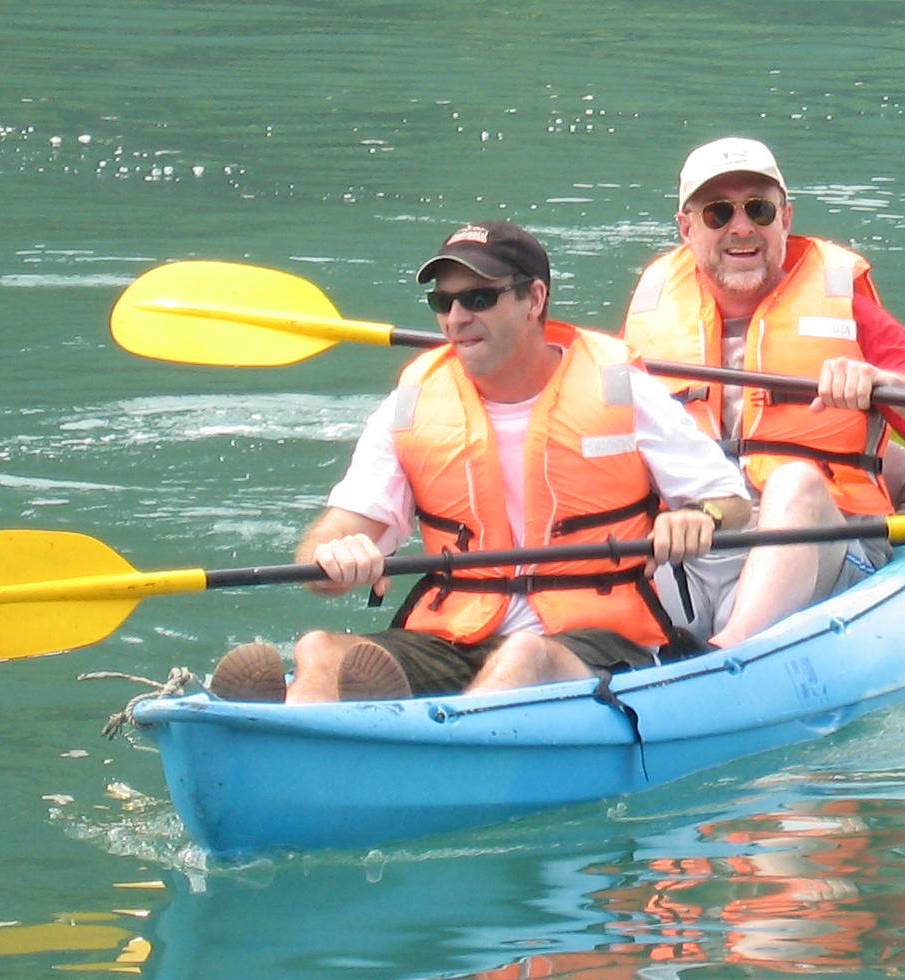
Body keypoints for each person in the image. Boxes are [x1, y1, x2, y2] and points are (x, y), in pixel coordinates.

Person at [213, 220, 755, 704]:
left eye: (478, 298)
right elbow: (333, 542)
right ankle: (291, 742)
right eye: (442, 302)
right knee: (321, 650)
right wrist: (335, 554)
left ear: (534, 299)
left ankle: (438, 747)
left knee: (524, 655)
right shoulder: (411, 404)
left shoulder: (622, 389)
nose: (456, 318)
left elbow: (731, 503)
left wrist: (698, 517)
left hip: (596, 637)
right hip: (454, 634)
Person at [622, 137, 905, 647]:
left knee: (795, 481)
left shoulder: (849, 313)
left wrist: (884, 383)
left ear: (785, 218)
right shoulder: (650, 318)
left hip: (829, 541)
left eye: (758, 209)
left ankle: (732, 651)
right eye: (718, 213)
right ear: (687, 228)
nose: (741, 227)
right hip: (693, 545)